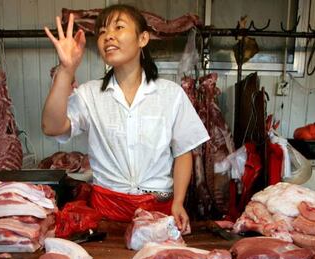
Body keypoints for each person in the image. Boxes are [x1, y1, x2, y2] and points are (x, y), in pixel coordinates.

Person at [42, 4, 209, 233]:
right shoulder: (90, 94)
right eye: (102, 31)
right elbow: (51, 127)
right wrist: (66, 69)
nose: (108, 35)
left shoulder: (171, 94)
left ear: (143, 38)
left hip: (157, 211)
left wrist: (178, 202)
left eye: (118, 27)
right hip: (105, 214)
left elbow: (183, 152)